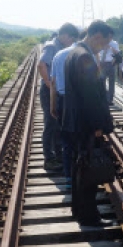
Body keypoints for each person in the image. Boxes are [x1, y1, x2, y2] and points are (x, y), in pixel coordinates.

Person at [62, 20, 115, 227]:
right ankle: (89, 216)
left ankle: (79, 210)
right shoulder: (84, 57)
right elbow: (91, 96)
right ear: (97, 36)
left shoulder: (72, 53)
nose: (103, 47)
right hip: (85, 124)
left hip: (74, 122)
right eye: (104, 43)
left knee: (79, 168)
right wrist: (98, 126)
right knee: (88, 170)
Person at [38, 23, 79, 171]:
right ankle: (49, 159)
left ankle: (58, 155)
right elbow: (41, 65)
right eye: (71, 38)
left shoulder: (60, 47)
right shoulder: (51, 46)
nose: (72, 41)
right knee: (50, 123)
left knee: (57, 124)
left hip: (55, 90)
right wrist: (50, 86)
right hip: (49, 90)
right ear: (64, 35)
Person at [49, 30, 87, 184]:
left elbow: (53, 83)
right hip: (81, 102)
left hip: (63, 101)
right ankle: (83, 175)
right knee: (83, 139)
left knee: (66, 141)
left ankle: (68, 176)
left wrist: (52, 105)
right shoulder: (85, 55)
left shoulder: (59, 55)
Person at [98, 33, 120, 104]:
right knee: (102, 81)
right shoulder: (101, 42)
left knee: (112, 82)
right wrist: (105, 49)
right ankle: (103, 98)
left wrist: (111, 48)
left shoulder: (114, 43)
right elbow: (100, 55)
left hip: (111, 63)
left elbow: (117, 54)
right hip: (103, 63)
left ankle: (110, 99)